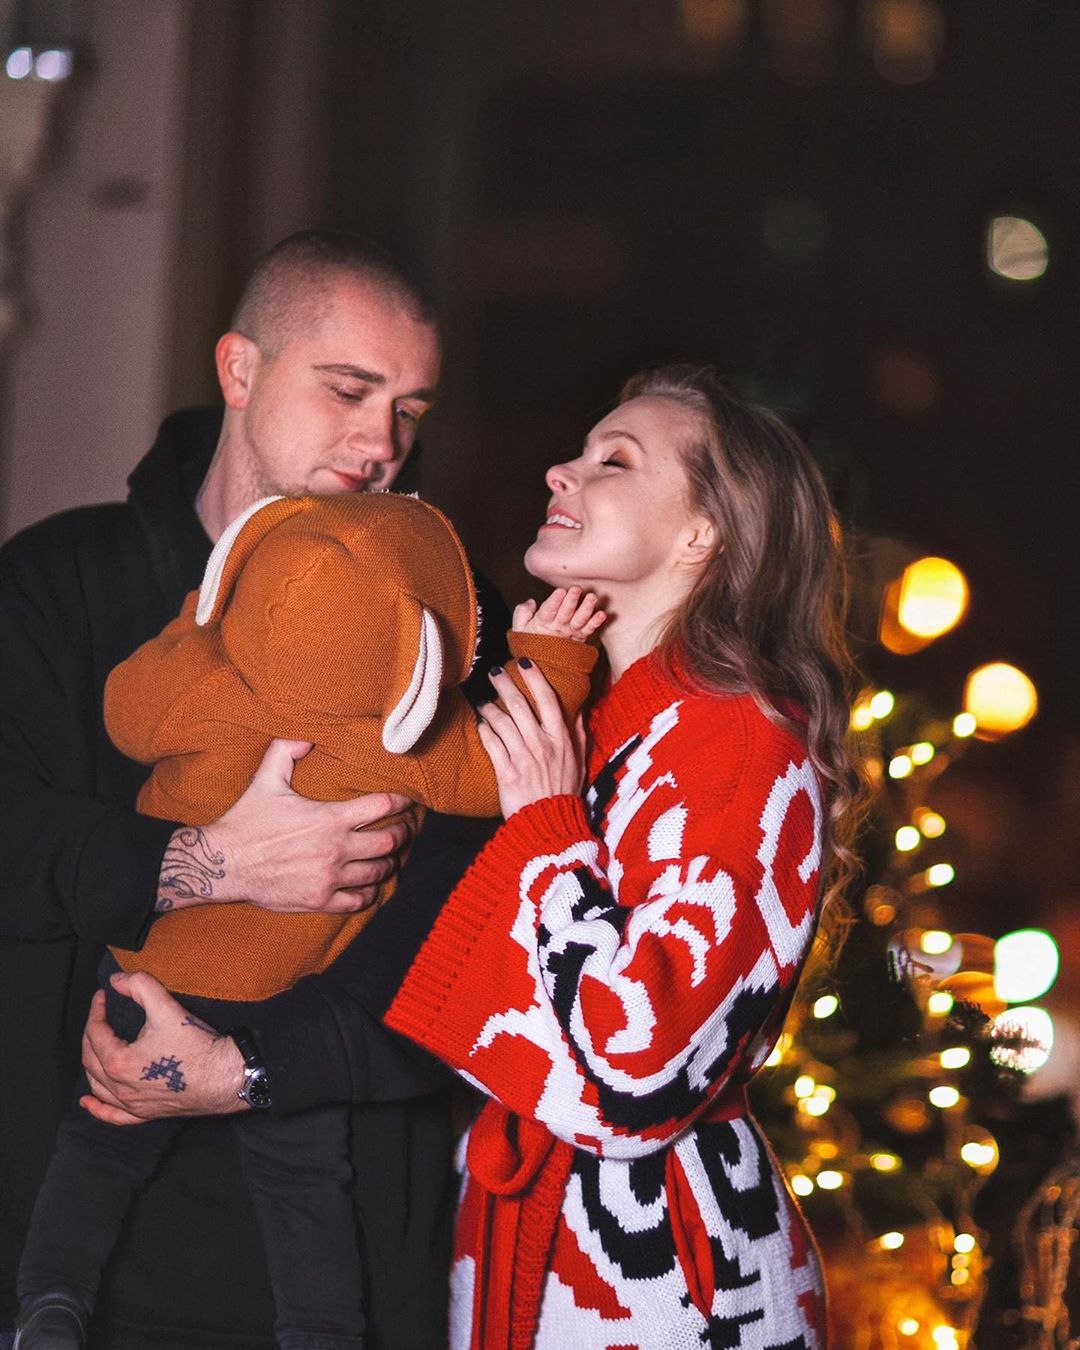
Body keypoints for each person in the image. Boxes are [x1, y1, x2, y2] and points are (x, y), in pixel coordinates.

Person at [81, 364, 862, 1348]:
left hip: (667, 1280)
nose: (563, 471)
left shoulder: (742, 742)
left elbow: (641, 1069)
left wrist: (544, 825)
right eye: (578, 452)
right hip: (509, 1242)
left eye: (615, 461)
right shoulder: (573, 718)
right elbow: (416, 950)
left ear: (704, 533)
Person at [0, 229, 504, 1350]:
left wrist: (244, 1072)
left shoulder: (452, 627)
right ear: (239, 369)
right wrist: (211, 862)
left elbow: (466, 940)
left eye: (410, 408)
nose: (382, 442)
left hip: (339, 1273)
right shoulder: (58, 581)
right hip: (67, 1265)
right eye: (348, 390)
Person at [15, 488, 603, 1350]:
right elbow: (495, 772)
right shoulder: (407, 740)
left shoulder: (206, 685)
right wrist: (551, 658)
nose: (378, 442)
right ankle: (321, 1333)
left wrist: (200, 621)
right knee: (306, 1190)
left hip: (151, 971)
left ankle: (50, 1299)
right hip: (283, 1002)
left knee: (98, 1142)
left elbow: (125, 708)